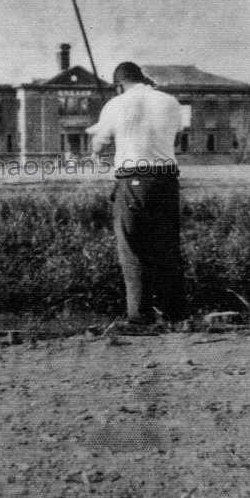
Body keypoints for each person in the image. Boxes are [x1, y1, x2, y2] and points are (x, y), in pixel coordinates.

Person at [86, 61, 187, 331]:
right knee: (167, 248)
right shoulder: (170, 101)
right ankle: (173, 315)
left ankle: (139, 318)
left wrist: (96, 147)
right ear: (142, 78)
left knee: (133, 250)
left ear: (119, 84)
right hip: (166, 181)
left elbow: (100, 142)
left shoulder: (115, 104)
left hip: (133, 182)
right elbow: (175, 139)